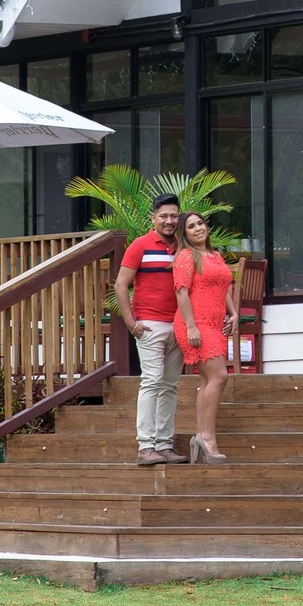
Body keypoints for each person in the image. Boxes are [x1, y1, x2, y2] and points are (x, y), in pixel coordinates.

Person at [113, 195, 184, 467]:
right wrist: (131, 323)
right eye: (164, 216)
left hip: (177, 324)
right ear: (153, 218)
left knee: (170, 386)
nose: (169, 221)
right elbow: (121, 285)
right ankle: (146, 446)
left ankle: (165, 446)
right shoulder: (139, 245)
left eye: (174, 216)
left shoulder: (181, 247)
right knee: (152, 381)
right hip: (150, 325)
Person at [172, 210, 238, 463]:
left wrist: (233, 314)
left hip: (215, 323)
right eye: (191, 226)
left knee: (208, 378)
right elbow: (181, 292)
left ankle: (201, 434)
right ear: (184, 234)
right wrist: (191, 327)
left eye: (200, 223)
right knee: (219, 376)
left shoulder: (215, 256)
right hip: (195, 323)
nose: (198, 228)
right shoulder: (187, 257)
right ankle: (207, 437)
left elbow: (223, 288)